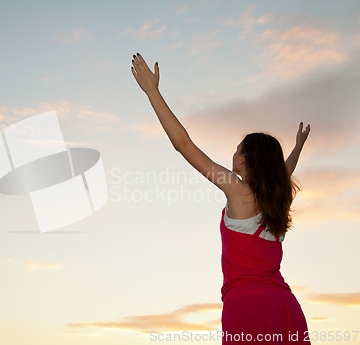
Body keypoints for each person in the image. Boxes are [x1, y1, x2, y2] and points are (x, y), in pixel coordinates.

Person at [131, 53, 311, 344]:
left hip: (248, 308)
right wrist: (298, 147)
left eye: (237, 148)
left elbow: (183, 145)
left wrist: (152, 92)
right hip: (284, 309)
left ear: (243, 160)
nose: (233, 153)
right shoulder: (275, 201)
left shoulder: (238, 191)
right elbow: (285, 172)